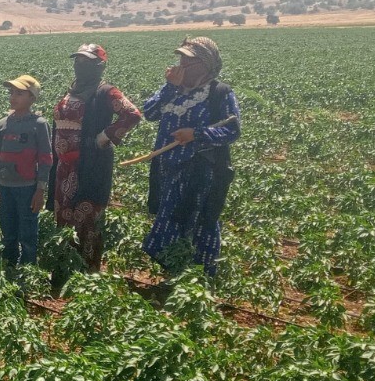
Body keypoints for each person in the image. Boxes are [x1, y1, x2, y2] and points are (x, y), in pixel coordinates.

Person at [142, 36, 241, 278]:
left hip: (200, 172)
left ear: (203, 65)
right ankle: (174, 272)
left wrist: (195, 134)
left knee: (198, 220)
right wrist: (169, 87)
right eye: (180, 59)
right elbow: (149, 112)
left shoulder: (219, 93)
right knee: (170, 217)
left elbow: (232, 130)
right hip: (168, 169)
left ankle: (200, 277)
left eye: (187, 60)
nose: (180, 65)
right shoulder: (174, 91)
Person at [52, 44, 142, 271]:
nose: (80, 67)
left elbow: (132, 114)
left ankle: (88, 268)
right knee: (64, 212)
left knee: (87, 214)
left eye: (87, 63)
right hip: (65, 167)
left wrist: (106, 135)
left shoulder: (106, 92)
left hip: (89, 165)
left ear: (100, 66)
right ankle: (66, 264)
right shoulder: (73, 89)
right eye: (78, 61)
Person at [0, 76, 52, 279]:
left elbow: (45, 159)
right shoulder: (3, 124)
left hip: (27, 188)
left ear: (32, 98)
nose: (13, 97)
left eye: (19, 93)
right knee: (8, 232)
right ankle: (8, 269)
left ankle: (28, 275)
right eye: (11, 93)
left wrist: (40, 190)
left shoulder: (39, 124)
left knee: (27, 233)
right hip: (5, 187)